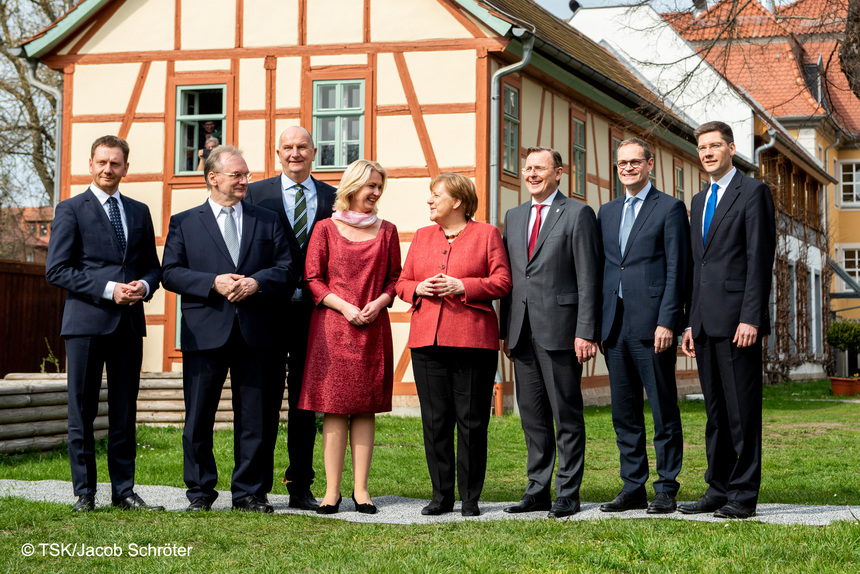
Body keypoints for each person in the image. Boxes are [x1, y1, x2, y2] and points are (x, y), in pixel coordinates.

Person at [161, 145, 294, 513]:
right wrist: (212, 282)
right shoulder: (185, 221)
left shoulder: (267, 219)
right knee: (198, 416)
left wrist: (256, 283)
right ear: (213, 177)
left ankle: (249, 492)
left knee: (257, 416)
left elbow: (286, 268)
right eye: (237, 175)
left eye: (246, 174)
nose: (245, 181)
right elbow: (169, 272)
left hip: (258, 332)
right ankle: (200, 492)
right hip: (205, 333)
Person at [46, 135, 162, 512]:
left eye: (115, 163)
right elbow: (57, 269)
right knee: (82, 410)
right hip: (84, 324)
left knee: (124, 411)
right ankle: (85, 493)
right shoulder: (70, 209)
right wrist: (110, 288)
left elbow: (151, 267)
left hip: (129, 324)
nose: (108, 169)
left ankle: (124, 491)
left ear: (126, 167)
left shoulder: (139, 211)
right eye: (102, 162)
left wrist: (144, 285)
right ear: (90, 164)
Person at [395, 173, 512, 518]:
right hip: (426, 341)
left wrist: (464, 285)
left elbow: (502, 281)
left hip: (473, 340)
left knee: (472, 422)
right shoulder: (421, 236)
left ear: (458, 201)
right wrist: (416, 289)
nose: (430, 201)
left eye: (436, 195)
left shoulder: (487, 234)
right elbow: (402, 282)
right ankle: (441, 495)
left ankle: (470, 497)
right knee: (435, 422)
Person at [679, 121, 776, 519]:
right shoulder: (700, 200)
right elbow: (697, 267)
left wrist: (751, 317)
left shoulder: (753, 193)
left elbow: (759, 260)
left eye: (715, 146)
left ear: (731, 149)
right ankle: (717, 488)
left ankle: (743, 494)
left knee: (741, 413)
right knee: (716, 414)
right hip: (704, 324)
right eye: (702, 147)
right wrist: (689, 321)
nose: (707, 153)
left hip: (739, 324)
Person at [499, 146, 601, 518]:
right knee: (532, 416)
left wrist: (586, 330)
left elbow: (589, 277)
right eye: (527, 168)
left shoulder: (578, 213)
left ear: (560, 173)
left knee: (566, 414)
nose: (532, 174)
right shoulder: (513, 216)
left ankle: (568, 492)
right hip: (521, 332)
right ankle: (537, 489)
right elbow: (512, 279)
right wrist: (504, 331)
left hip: (562, 330)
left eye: (540, 168)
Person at [298, 159, 401, 515]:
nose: (375, 192)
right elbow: (312, 278)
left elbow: (394, 279)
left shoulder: (387, 230)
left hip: (372, 327)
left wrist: (379, 302)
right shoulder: (326, 228)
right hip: (332, 327)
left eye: (379, 186)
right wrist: (344, 307)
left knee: (365, 408)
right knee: (334, 409)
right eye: (370, 185)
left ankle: (361, 491)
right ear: (353, 186)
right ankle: (330, 493)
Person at [596, 138, 690, 515]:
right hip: (614, 326)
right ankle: (632, 486)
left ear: (650, 164)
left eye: (635, 162)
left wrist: (669, 320)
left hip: (653, 327)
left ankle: (666, 488)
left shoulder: (669, 208)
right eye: (622, 163)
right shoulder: (607, 211)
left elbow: (676, 271)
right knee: (624, 412)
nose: (628, 168)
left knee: (663, 410)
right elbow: (607, 267)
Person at [245, 126, 336, 511]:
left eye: (302, 146)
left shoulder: (333, 197)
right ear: (276, 152)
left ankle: (301, 485)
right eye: (288, 147)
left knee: (305, 403)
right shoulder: (255, 194)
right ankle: (258, 486)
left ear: (314, 151)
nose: (295, 153)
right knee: (263, 402)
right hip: (266, 311)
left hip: (316, 315)